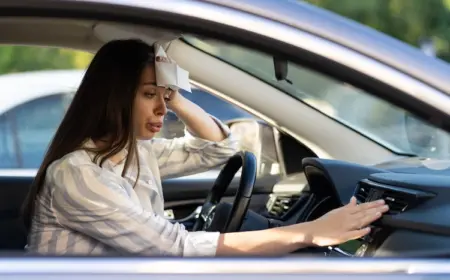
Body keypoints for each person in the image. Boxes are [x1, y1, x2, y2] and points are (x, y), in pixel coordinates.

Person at [22, 39, 389, 257]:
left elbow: (217, 148)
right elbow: (172, 248)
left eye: (164, 96)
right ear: (113, 97)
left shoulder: (134, 152)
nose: (161, 109)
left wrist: (175, 95)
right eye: (149, 95)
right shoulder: (77, 173)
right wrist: (309, 232)